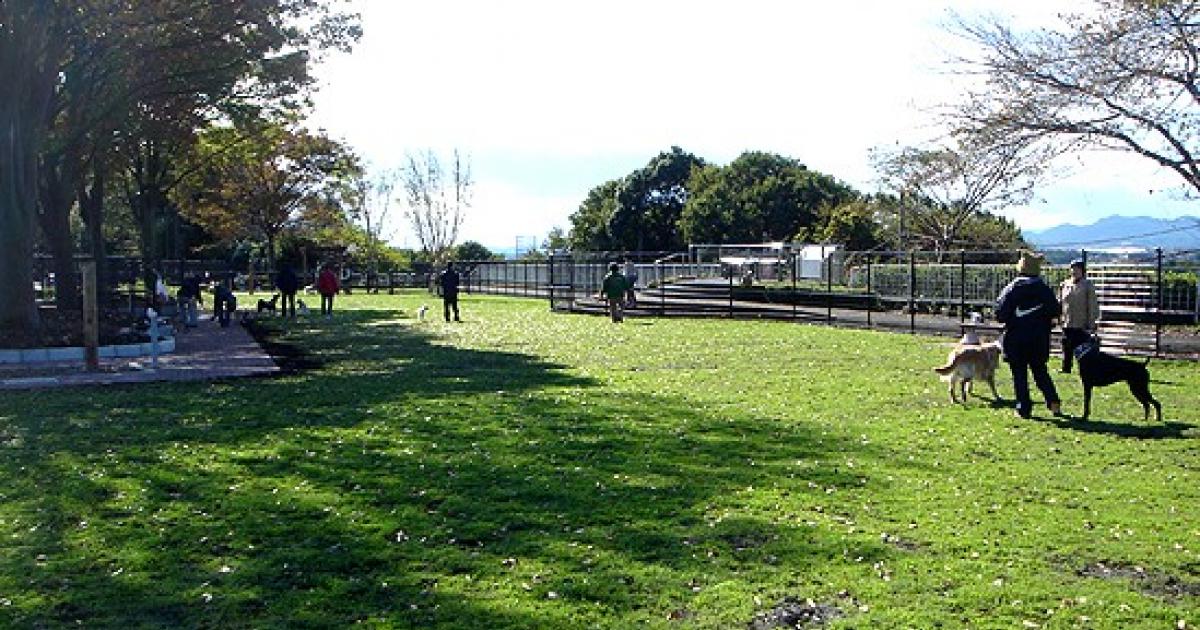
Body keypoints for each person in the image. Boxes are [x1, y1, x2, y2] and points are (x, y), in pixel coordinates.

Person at [995, 250, 1062, 419]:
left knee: (1019, 375)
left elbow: (1000, 315)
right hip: (1039, 339)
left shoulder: (1011, 289)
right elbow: (1055, 311)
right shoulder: (1044, 289)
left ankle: (1023, 407)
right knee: (1040, 371)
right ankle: (1054, 403)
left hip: (1016, 339)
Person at [1058, 258, 1100, 373]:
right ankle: (1066, 368)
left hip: (1082, 323)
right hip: (1067, 322)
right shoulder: (1065, 284)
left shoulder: (1087, 285)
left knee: (1083, 348)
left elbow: (1092, 305)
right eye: (1072, 269)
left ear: (1082, 271)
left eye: (1077, 269)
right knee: (1066, 346)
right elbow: (1060, 302)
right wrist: (1059, 318)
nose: (1074, 271)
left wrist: (1092, 323)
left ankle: (1087, 369)